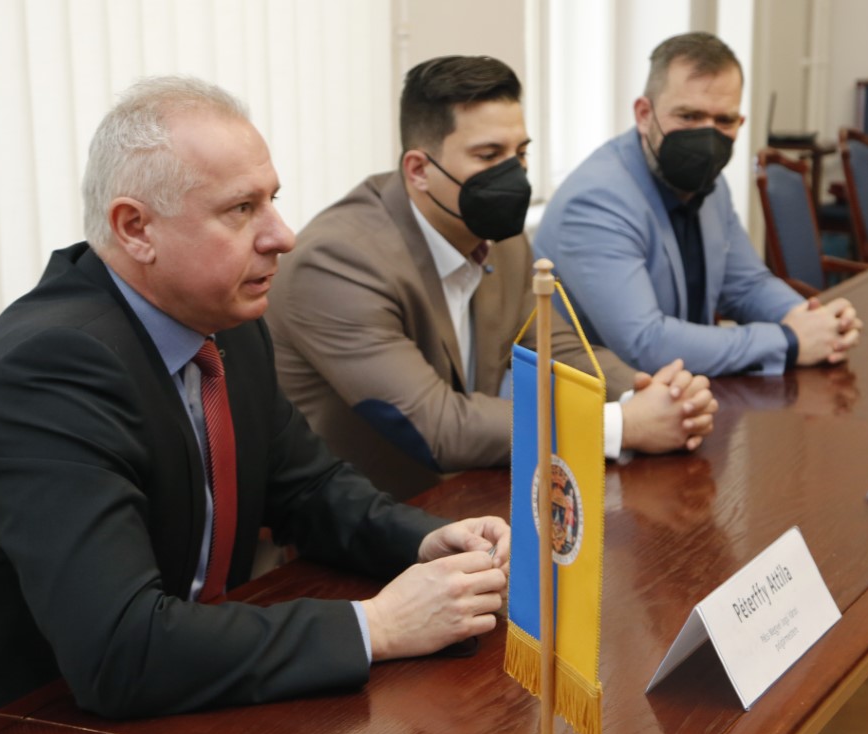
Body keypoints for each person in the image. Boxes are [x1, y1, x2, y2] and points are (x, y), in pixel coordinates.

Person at [0, 76, 510, 734]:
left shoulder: (226, 324)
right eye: (241, 209)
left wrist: (426, 542)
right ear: (136, 229)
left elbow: (308, 490)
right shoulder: (50, 370)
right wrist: (378, 625)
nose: (282, 236)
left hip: (154, 709)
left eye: (272, 200)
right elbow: (120, 649)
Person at [266, 55, 718, 501]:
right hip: (358, 520)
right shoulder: (338, 262)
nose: (513, 176)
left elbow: (556, 349)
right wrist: (622, 425)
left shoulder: (498, 235)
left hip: (466, 498)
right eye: (488, 156)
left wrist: (653, 395)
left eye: (520, 153)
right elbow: (439, 426)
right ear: (419, 170)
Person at [533, 32, 863, 378]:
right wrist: (790, 341)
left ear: (740, 123)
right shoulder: (595, 201)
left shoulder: (709, 184)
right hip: (596, 403)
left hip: (685, 391)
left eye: (724, 121)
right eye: (689, 116)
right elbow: (646, 344)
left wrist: (813, 321)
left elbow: (747, 285)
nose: (707, 138)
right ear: (644, 114)